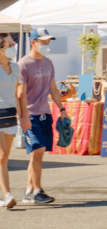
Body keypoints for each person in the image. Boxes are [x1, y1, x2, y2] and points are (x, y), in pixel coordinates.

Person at [17, 28, 68, 205]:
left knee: (37, 155)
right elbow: (20, 93)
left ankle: (29, 192)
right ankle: (37, 191)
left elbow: (53, 89)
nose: (47, 44)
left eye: (48, 41)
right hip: (30, 115)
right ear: (33, 42)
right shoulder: (23, 64)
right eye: (43, 41)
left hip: (45, 113)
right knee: (37, 151)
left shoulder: (48, 62)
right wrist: (22, 117)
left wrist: (62, 109)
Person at [0, 33, 27, 209]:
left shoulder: (15, 67)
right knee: (2, 154)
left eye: (13, 42)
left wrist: (22, 115)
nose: (13, 45)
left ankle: (5, 195)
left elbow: (18, 94)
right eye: (10, 43)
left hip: (10, 115)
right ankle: (8, 194)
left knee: (4, 158)